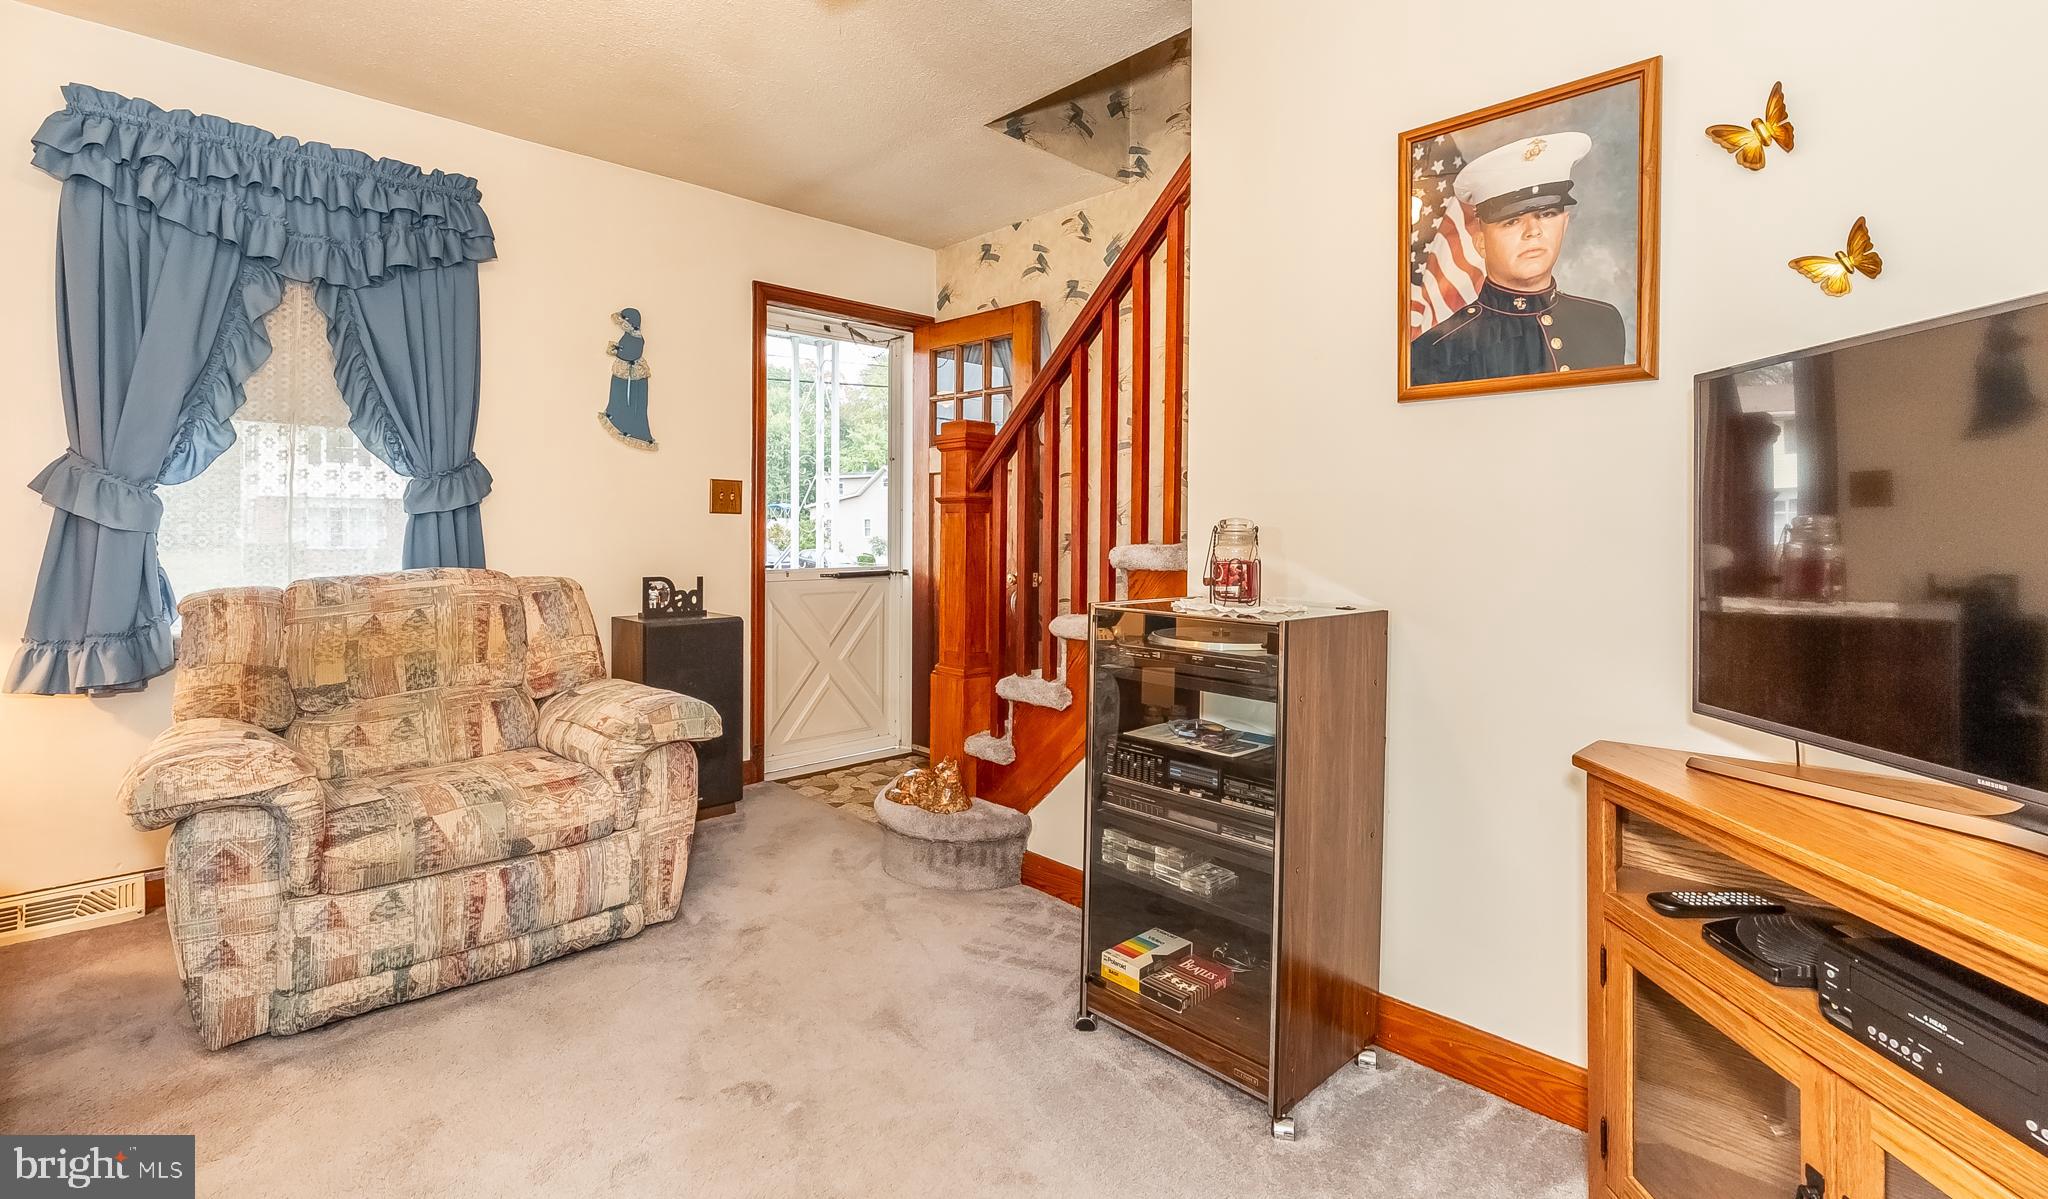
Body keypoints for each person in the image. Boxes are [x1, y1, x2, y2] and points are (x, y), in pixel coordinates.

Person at [1409, 132, 1626, 387]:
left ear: (1564, 225)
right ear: (1480, 242)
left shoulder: (1602, 321)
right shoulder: (1437, 350)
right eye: (1511, 221)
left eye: (1547, 213)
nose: (1533, 231)